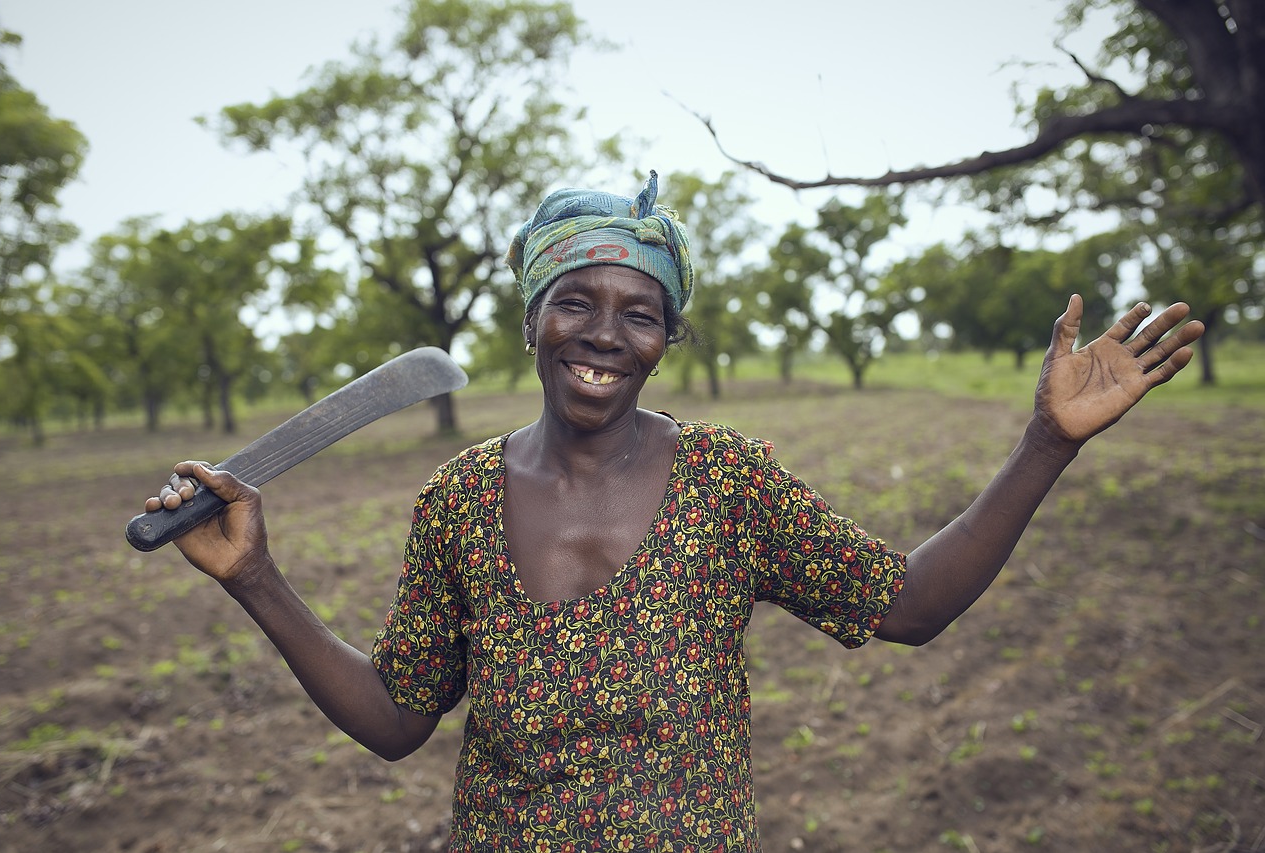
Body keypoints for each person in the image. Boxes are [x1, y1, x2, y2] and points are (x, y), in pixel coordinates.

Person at [144, 171, 1204, 852]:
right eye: (575, 302)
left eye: (637, 313)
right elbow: (394, 719)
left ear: (667, 337)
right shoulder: (460, 500)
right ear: (532, 319)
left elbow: (910, 604)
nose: (603, 334)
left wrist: (1044, 443)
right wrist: (255, 580)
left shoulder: (725, 483)